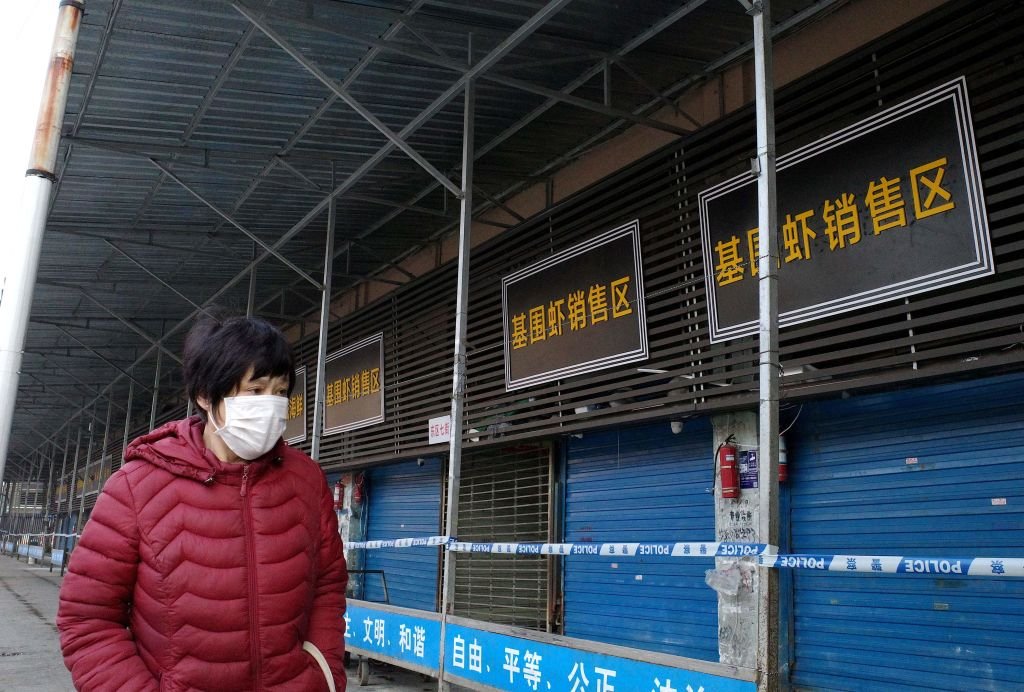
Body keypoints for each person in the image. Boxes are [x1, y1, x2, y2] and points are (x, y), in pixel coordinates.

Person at [57, 315, 347, 691]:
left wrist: (323, 677)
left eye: (280, 391)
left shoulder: (306, 481)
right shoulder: (137, 486)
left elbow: (327, 585)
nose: (271, 405)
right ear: (205, 396)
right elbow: (87, 619)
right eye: (255, 391)